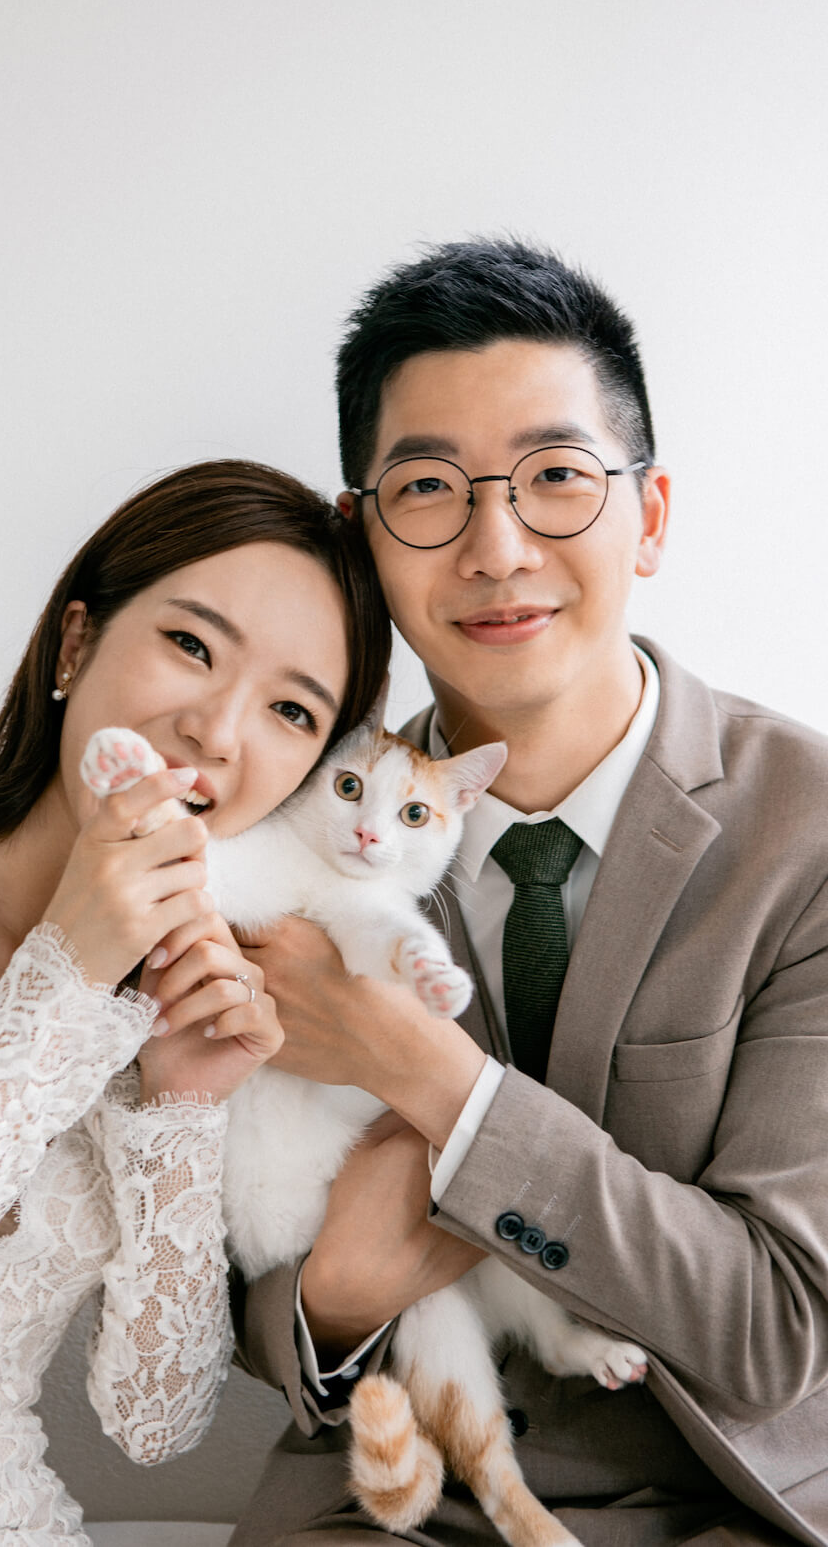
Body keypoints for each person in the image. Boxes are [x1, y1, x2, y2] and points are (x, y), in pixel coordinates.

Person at [230, 241, 828, 1546]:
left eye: (557, 477)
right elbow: (222, 1256)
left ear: (649, 516)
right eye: (428, 489)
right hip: (389, 1498)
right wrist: (332, 1304)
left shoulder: (810, 831)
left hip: (740, 1503)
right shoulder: (289, 808)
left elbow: (778, 1329)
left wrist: (425, 1072)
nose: (496, 550)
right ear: (363, 537)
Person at [0, 458, 390, 1542]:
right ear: (75, 644)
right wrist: (67, 975)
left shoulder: (190, 988)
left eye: (290, 710)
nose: (218, 731)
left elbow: (153, 1421)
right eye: (192, 645)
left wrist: (178, 1112)